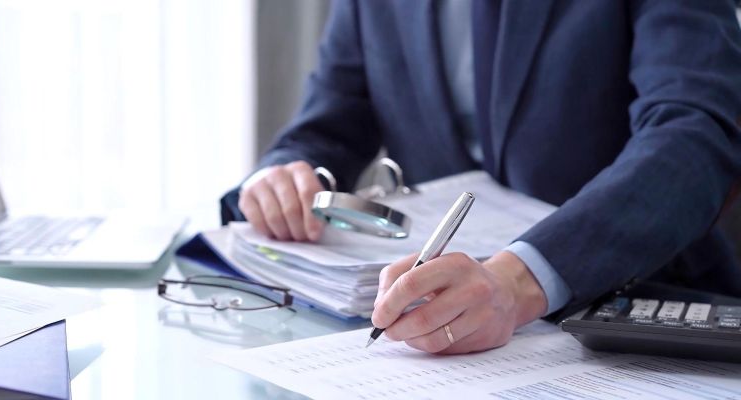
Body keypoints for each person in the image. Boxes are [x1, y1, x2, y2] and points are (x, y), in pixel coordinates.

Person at [221, 0, 741, 354]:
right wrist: (283, 174)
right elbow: (329, 123)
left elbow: (696, 132)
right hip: (447, 326)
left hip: (642, 307)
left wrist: (522, 280)